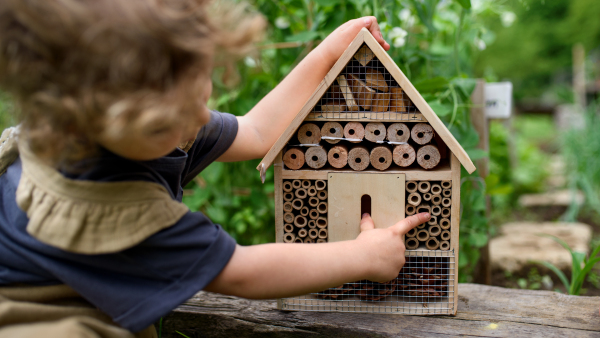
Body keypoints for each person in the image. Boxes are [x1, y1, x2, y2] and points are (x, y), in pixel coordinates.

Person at [0, 1, 430, 337]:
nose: (201, 121)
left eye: (201, 96)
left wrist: (328, 53)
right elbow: (242, 273)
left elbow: (259, 131)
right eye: (176, 119)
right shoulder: (117, 209)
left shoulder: (128, 127)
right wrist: (362, 256)